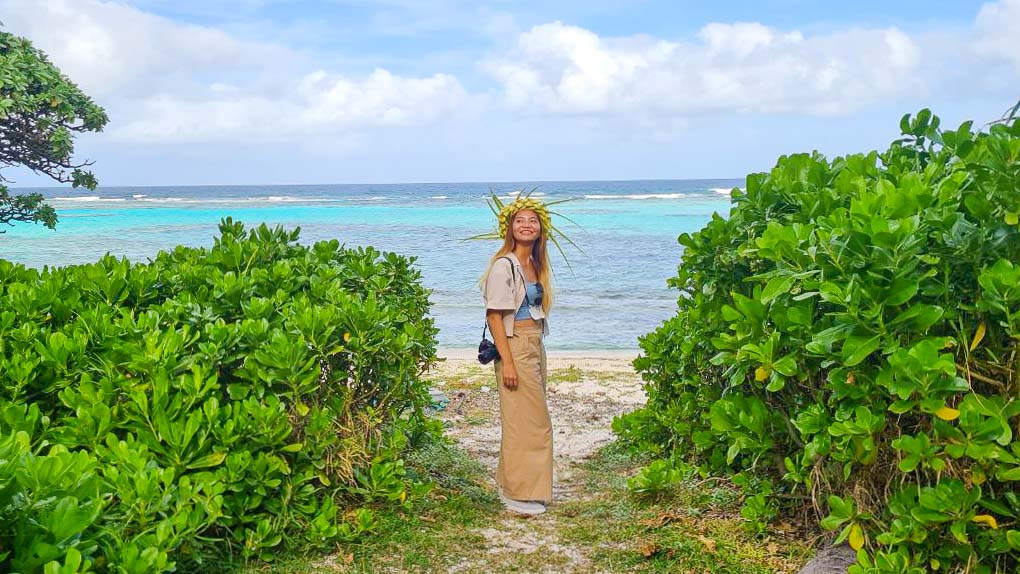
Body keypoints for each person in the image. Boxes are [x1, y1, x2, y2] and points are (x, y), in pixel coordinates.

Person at [480, 196, 557, 515]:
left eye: (533, 221)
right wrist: (508, 361)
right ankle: (519, 493)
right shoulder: (504, 265)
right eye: (520, 220)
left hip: (533, 342)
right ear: (510, 227)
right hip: (515, 345)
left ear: (541, 229)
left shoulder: (534, 265)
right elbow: (494, 316)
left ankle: (517, 486)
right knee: (530, 423)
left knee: (526, 420)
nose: (527, 225)